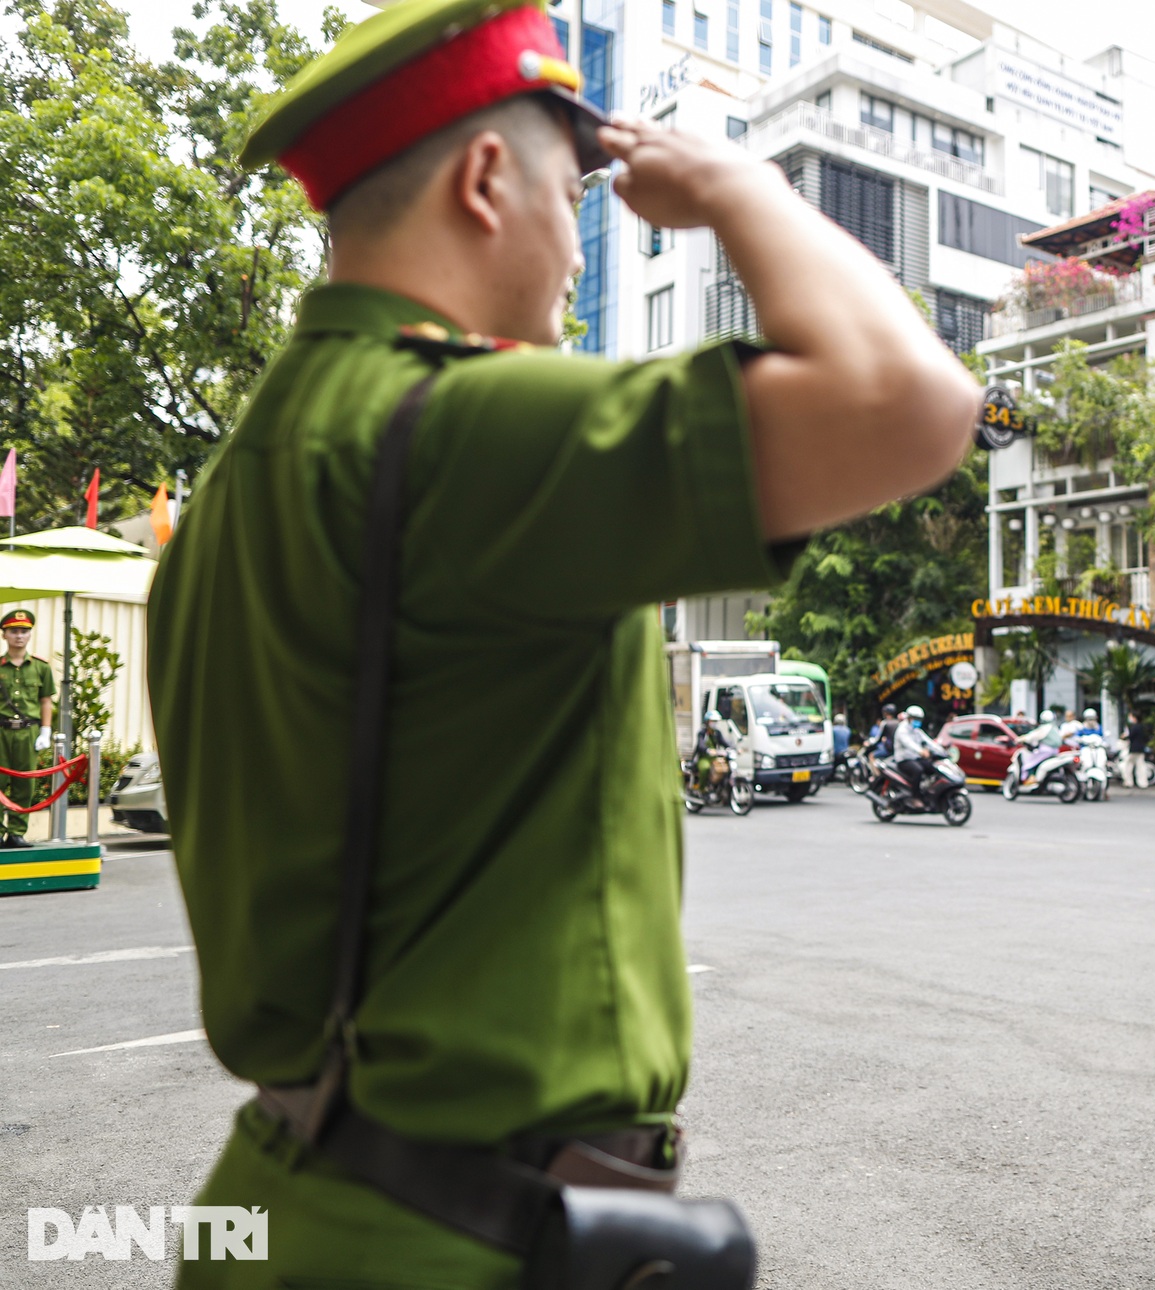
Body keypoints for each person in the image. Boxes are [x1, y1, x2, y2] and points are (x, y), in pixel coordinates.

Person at [144, 0, 979, 1282]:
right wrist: (742, 191)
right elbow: (915, 405)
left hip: (291, 1195)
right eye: (570, 195)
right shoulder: (459, 431)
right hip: (449, 1241)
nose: (582, 255)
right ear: (485, 182)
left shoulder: (240, 484)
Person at [0, 608, 55, 847]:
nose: (19, 636)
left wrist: (46, 731)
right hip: (0, 731)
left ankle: (16, 833)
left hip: (28, 731)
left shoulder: (41, 667)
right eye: (13, 631)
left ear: (30, 635)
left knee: (25, 783)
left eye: (24, 631)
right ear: (4, 635)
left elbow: (45, 701)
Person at [890, 704, 938, 797]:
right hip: (904, 760)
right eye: (915, 718)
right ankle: (915, 796)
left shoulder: (916, 730)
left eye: (919, 719)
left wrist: (941, 749)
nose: (917, 721)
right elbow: (909, 743)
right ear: (909, 718)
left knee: (933, 767)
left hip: (915, 758)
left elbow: (928, 741)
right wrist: (920, 751)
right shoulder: (902, 730)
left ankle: (926, 790)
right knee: (918, 770)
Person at [1125, 711, 1151, 789]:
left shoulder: (1134, 727)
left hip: (1133, 749)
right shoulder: (1142, 727)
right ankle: (1143, 783)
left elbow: (1130, 737)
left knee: (1128, 765)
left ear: (1134, 718)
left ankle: (1129, 782)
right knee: (1141, 766)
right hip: (1141, 749)